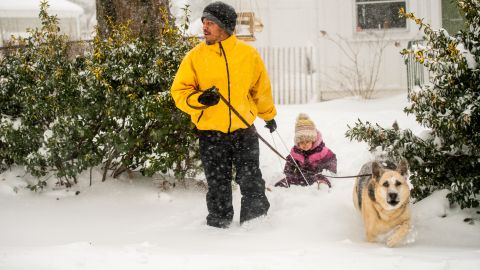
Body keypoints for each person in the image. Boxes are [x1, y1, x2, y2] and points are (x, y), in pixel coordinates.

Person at [170, 1, 277, 228]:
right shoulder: (195, 57)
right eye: (204, 22)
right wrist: (199, 100)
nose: (205, 27)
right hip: (211, 132)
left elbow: (260, 89)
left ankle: (256, 222)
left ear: (225, 27)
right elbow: (179, 92)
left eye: (211, 23)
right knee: (218, 182)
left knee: (250, 178)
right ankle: (218, 225)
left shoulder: (248, 54)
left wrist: (268, 115)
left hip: (243, 131)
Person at [275, 113, 337, 188]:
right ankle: (280, 187)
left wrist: (329, 171)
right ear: (298, 142)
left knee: (321, 179)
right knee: (290, 179)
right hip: (301, 176)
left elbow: (331, 159)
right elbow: (290, 163)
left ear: (313, 140)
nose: (304, 144)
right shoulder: (295, 152)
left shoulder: (321, 151)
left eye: (307, 141)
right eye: (301, 142)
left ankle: (322, 185)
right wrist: (289, 173)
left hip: (316, 175)